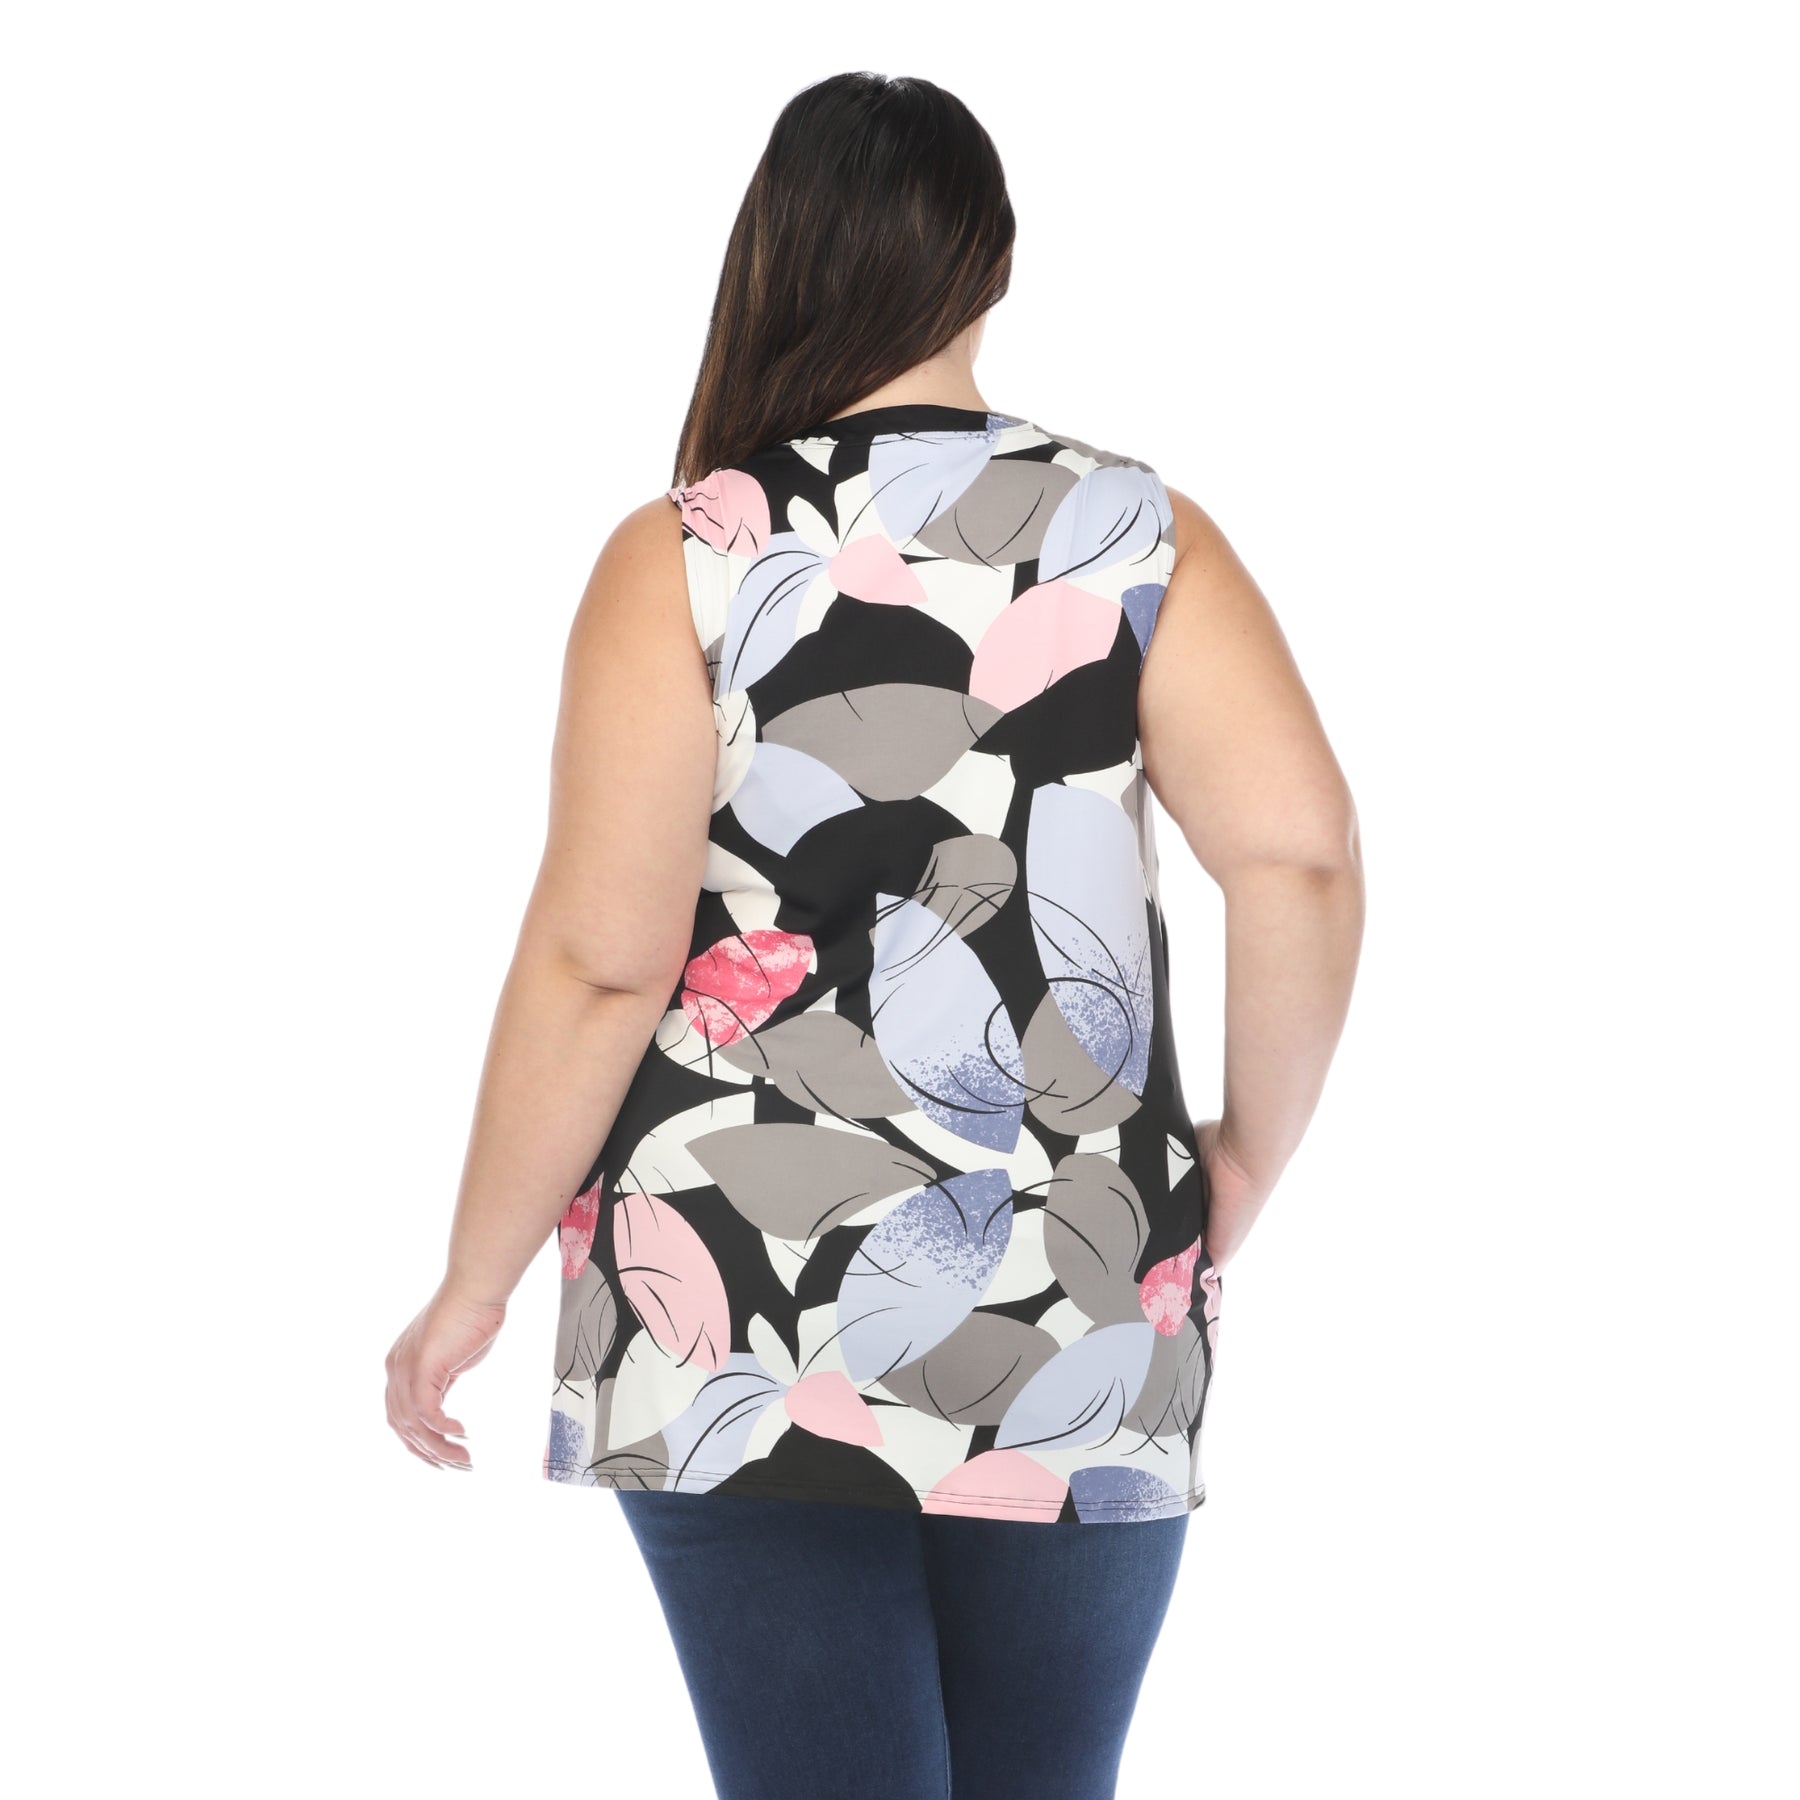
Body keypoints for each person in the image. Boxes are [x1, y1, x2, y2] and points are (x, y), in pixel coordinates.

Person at [385, 70, 1364, 1800]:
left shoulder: (689, 554)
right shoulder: (1134, 533)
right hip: (1079, 1286)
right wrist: (1241, 1163)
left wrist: (473, 1281)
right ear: (992, 266)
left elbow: (603, 960)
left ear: (775, 256)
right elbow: (1297, 857)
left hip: (743, 1310)